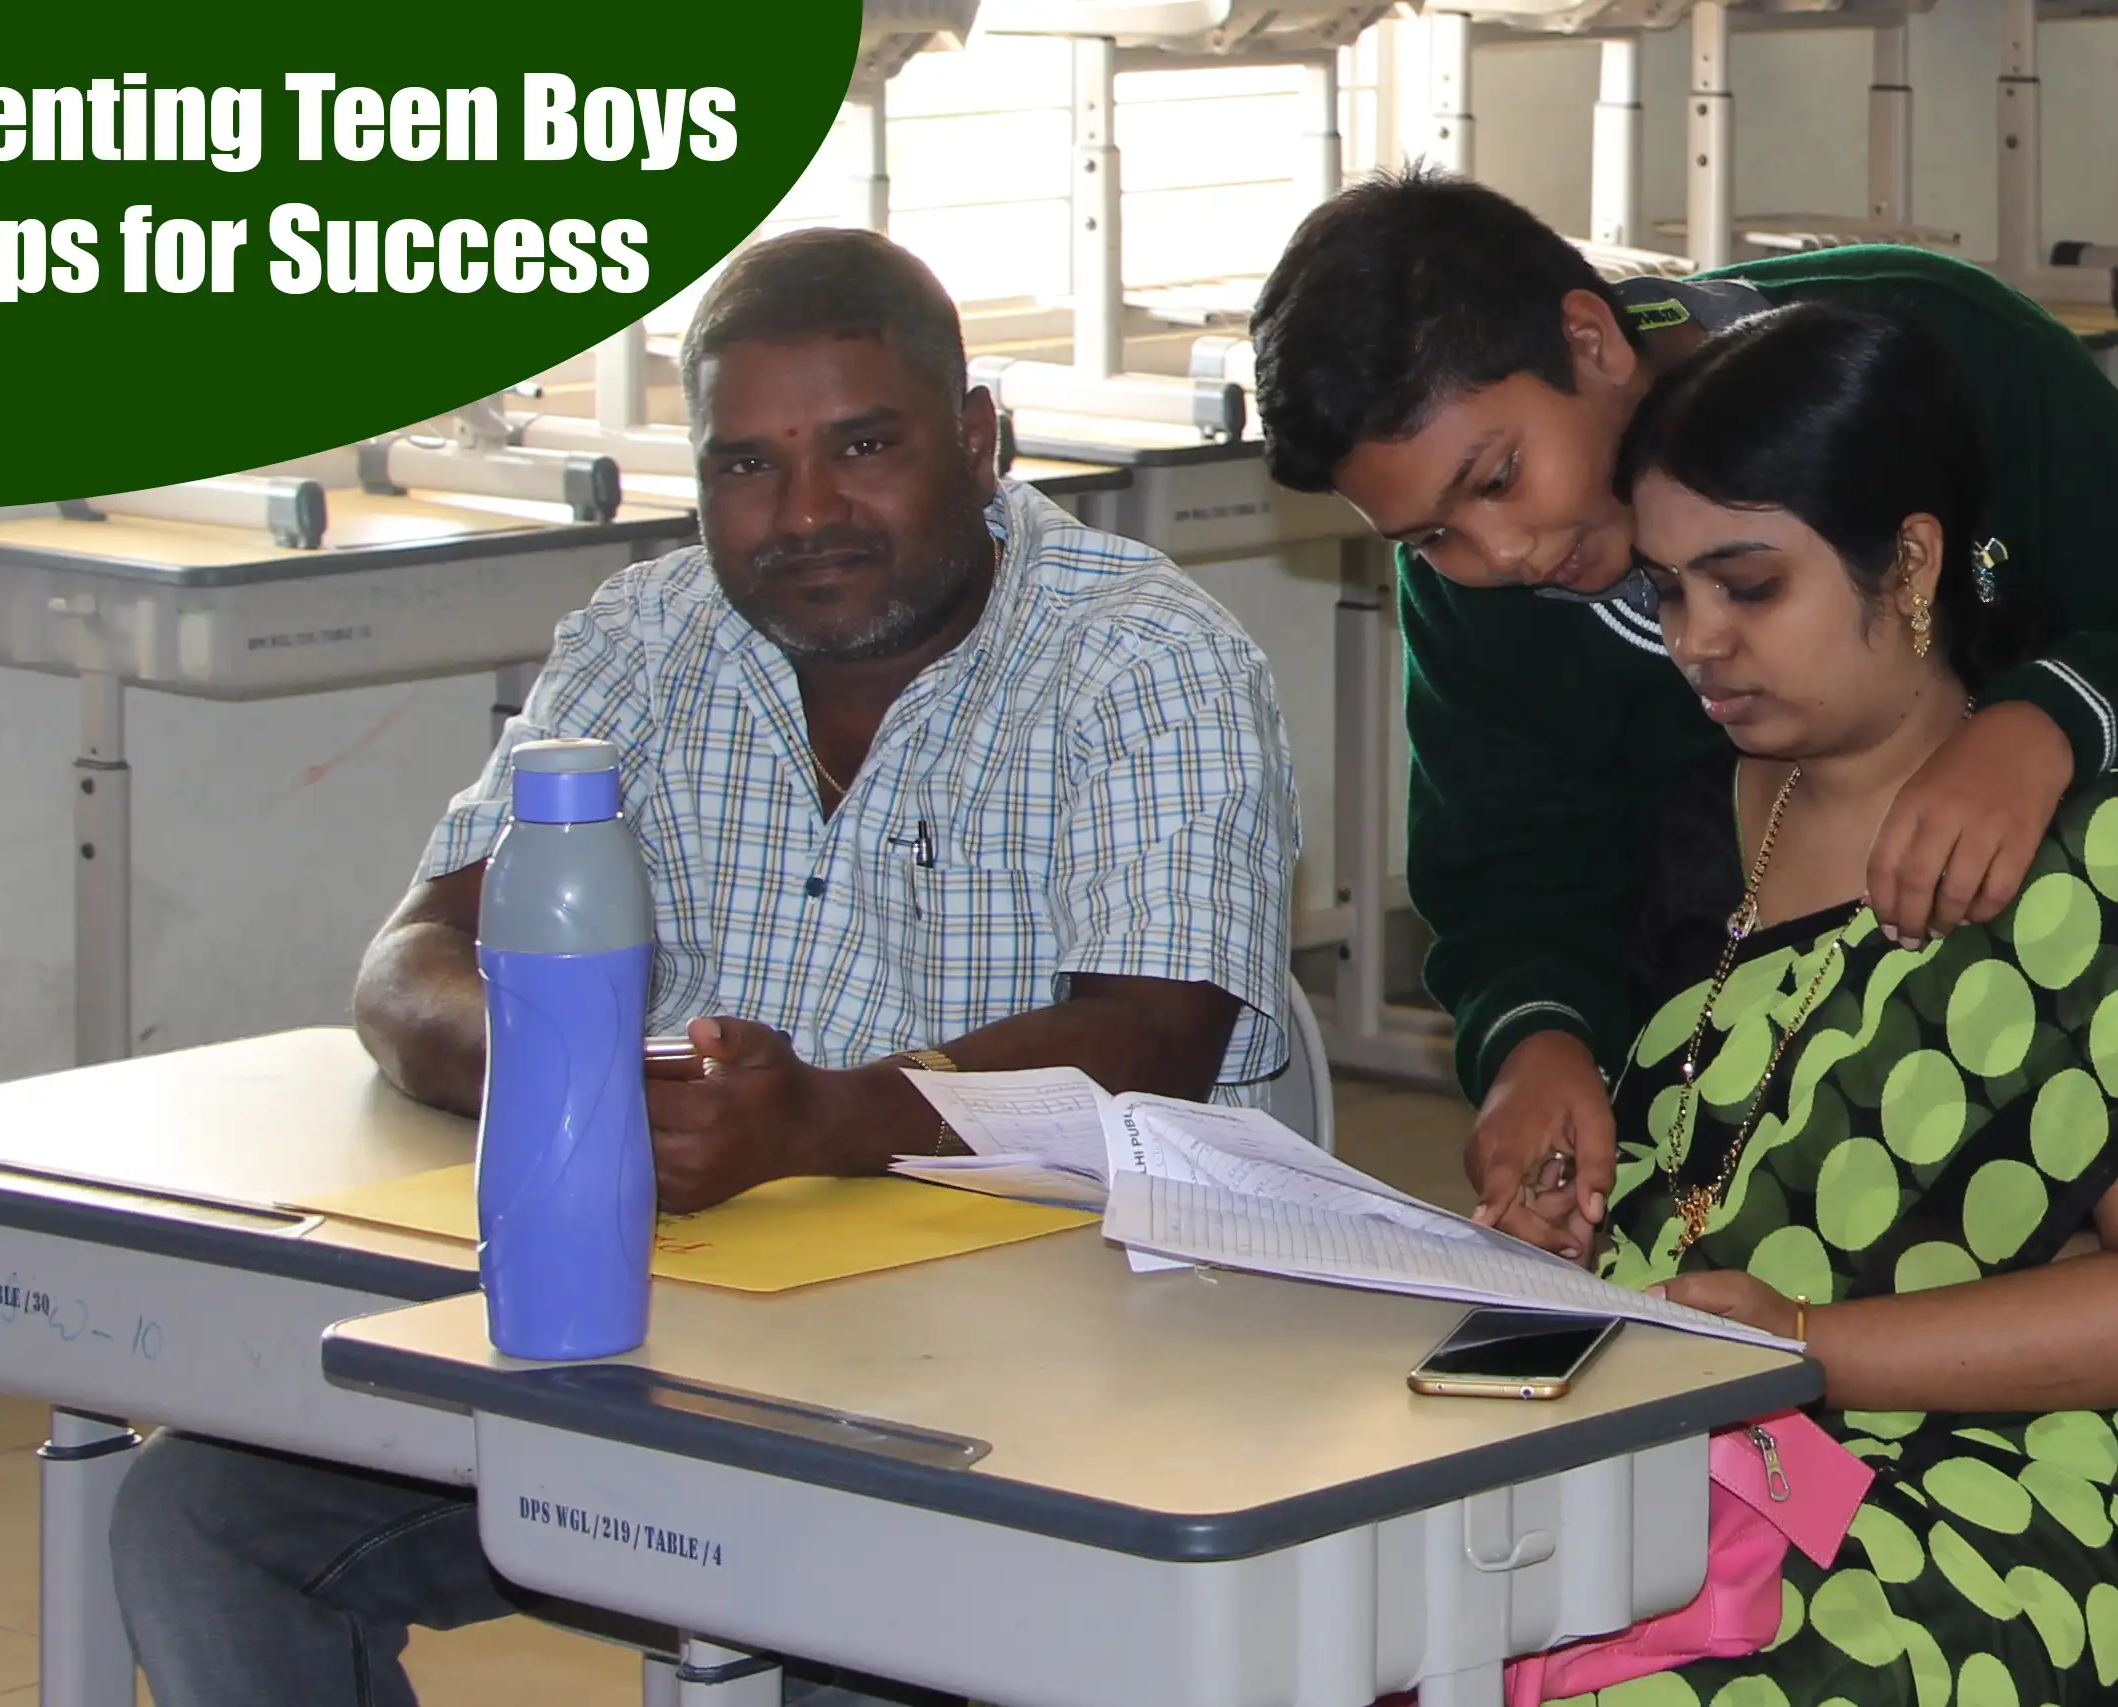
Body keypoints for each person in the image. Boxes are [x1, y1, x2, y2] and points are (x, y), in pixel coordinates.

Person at [107, 226, 1299, 1707]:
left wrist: (826, 1119)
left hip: (1051, 1381)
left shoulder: (1145, 658)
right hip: (696, 1348)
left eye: (865, 444)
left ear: (981, 437)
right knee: (203, 1514)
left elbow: (1157, 1037)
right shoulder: (651, 634)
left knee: (846, 1640)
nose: (807, 511)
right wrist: (585, 1077)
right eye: (747, 465)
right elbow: (416, 957)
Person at [1249, 165, 2118, 1266]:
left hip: (2064, 1002)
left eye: (1498, 477)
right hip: (1753, 1127)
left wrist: (2041, 723)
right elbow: (1510, 876)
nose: (1498, 554)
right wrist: (1537, 1042)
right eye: (1426, 537)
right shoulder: (1481, 593)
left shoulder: (1931, 352)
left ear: (1591, 339)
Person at [1576, 302, 2118, 1706]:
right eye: (1669, 590)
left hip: (2010, 1480)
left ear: (1909, 561)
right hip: (1698, 1427)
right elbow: (1703, 1172)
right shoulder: (1701, 822)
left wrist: (1800, 1345)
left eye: (1747, 586)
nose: (1696, 641)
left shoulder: (2098, 864)